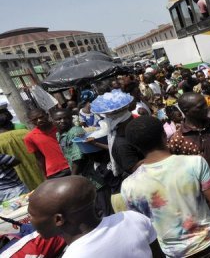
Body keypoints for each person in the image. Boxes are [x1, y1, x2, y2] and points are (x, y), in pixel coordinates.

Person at [121, 116, 210, 257]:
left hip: (174, 253)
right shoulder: (195, 163)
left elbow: (142, 226)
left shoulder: (128, 186)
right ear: (164, 135)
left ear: (135, 147)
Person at [28, 175, 164, 258]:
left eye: (32, 215)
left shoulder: (74, 255)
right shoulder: (133, 219)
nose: (29, 220)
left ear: (58, 219)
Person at [168, 93, 210, 175]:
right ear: (186, 111)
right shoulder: (177, 140)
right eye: (200, 107)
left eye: (206, 105)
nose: (206, 108)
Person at [24, 108, 70, 179]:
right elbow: (39, 158)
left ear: (47, 115)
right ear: (31, 121)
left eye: (41, 117)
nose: (39, 120)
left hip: (74, 164)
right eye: (35, 119)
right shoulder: (29, 138)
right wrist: (45, 176)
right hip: (55, 172)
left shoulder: (61, 127)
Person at [52, 108, 86, 176]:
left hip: (86, 173)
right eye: (59, 119)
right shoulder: (59, 134)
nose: (62, 121)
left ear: (71, 119)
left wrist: (73, 176)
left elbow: (77, 158)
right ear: (53, 121)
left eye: (66, 118)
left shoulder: (75, 131)